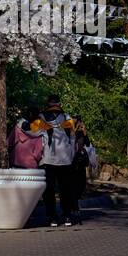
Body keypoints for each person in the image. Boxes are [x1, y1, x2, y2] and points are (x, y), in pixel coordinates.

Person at [31, 95, 77, 226]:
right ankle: (67, 216)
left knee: (49, 191)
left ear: (48, 104)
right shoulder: (68, 118)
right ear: (60, 104)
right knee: (66, 189)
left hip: (48, 160)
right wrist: (71, 155)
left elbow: (32, 133)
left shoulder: (41, 118)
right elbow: (73, 138)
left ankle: (52, 217)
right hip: (66, 160)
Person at [67, 118, 98, 225]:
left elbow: (89, 146)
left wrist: (85, 133)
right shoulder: (68, 136)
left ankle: (73, 208)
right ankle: (73, 210)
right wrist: (73, 131)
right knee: (72, 190)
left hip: (80, 168)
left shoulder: (82, 136)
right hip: (71, 168)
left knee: (80, 188)